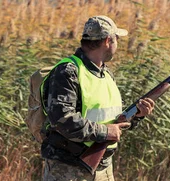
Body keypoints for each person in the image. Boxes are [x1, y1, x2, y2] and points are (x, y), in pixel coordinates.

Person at [40, 15, 157, 181]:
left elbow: (112, 120)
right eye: (117, 39)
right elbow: (62, 120)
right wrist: (106, 131)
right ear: (108, 41)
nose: (118, 44)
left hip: (103, 168)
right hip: (68, 169)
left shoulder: (106, 74)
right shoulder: (68, 71)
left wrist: (136, 116)